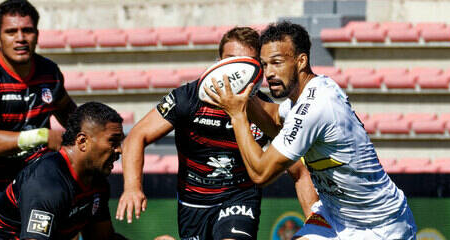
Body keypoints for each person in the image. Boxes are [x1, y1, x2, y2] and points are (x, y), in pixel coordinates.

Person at [204, 21, 417, 239]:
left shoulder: (316, 107)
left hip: (380, 225)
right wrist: (243, 93)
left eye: (277, 63)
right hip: (334, 216)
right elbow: (275, 118)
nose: (269, 73)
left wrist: (238, 114)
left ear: (301, 61)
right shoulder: (310, 93)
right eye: (264, 64)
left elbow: (261, 173)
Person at [116, 26, 317, 240]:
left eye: (245, 64)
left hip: (239, 198)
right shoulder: (188, 98)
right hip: (193, 204)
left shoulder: (264, 112)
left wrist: (317, 228)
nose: (236, 72)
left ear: (257, 69)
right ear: (218, 63)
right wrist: (132, 188)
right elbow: (137, 136)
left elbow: (300, 171)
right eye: (230, 61)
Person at [0, 0, 77, 229]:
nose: (20, 38)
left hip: (38, 180)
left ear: (37, 34)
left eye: (27, 30)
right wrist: (42, 136)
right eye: (11, 32)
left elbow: (70, 113)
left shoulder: (49, 72)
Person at [0, 102, 125, 240]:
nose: (119, 150)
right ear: (82, 141)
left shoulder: (97, 181)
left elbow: (103, 238)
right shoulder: (46, 183)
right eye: (113, 141)